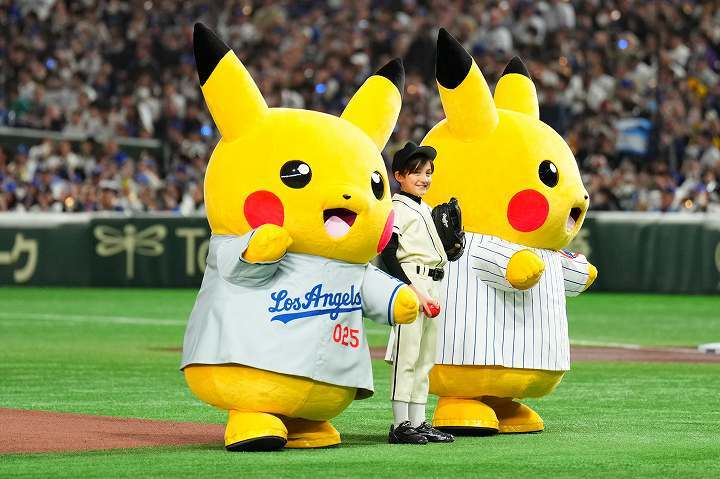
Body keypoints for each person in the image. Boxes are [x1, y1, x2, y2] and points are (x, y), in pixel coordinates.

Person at [381, 142, 454, 445]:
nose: (424, 178)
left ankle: (419, 421)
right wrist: (411, 291)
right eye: (417, 173)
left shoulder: (424, 208)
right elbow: (387, 253)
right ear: (399, 175)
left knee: (425, 360)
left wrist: (453, 247)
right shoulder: (396, 208)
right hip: (412, 282)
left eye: (428, 172)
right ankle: (400, 424)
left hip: (433, 283)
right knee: (407, 357)